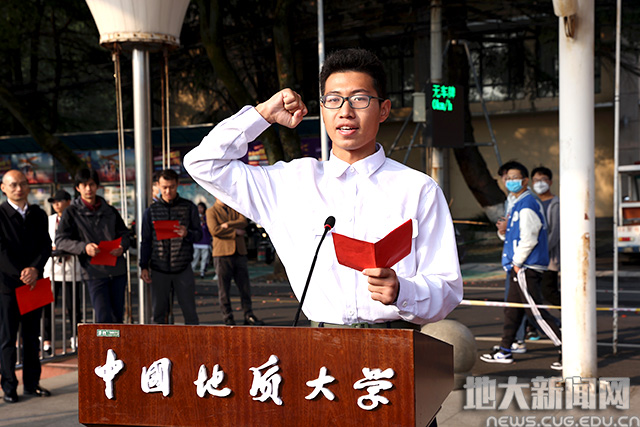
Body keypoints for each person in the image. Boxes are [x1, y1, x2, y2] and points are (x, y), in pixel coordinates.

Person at [184, 48, 462, 329]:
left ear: (383, 110)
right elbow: (203, 163)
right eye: (333, 100)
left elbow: (447, 289)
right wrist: (263, 114)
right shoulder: (288, 184)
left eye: (359, 99)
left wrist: (403, 291)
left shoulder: (418, 189)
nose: (345, 112)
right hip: (321, 345)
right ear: (322, 109)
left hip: (396, 342)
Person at [480, 161, 562, 370]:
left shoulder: (527, 204)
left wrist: (517, 263)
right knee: (513, 311)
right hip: (519, 266)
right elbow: (513, 236)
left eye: (515, 178)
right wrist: (503, 232)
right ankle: (505, 349)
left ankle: (566, 347)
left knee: (535, 312)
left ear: (525, 181)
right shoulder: (516, 203)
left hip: (526, 266)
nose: (510, 181)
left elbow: (529, 238)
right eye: (507, 178)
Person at [0, 170, 52, 403]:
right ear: (3, 188)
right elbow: (1, 251)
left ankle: (32, 384)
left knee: (32, 337)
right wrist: (21, 273)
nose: (18, 188)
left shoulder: (38, 214)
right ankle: (9, 387)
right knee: (7, 339)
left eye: (22, 184)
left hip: (34, 285)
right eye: (13, 185)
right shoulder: (1, 214)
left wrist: (35, 269)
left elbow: (45, 245)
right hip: (7, 287)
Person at [55, 168, 131, 324]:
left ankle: (116, 342)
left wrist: (122, 246)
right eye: (84, 185)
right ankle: (104, 342)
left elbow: (125, 234)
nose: (88, 189)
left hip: (117, 269)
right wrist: (84, 248)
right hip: (94, 272)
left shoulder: (110, 210)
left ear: (97, 186)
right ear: (77, 188)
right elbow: (61, 240)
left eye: (91, 184)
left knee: (118, 318)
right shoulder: (71, 212)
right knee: (103, 318)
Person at [140, 169, 201, 325]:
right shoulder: (151, 211)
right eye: (164, 187)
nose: (168, 191)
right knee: (158, 315)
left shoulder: (189, 208)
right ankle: (158, 342)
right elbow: (146, 241)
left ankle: (194, 341)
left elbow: (199, 235)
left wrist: (187, 233)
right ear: (158, 186)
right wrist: (143, 266)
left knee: (190, 313)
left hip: (183, 268)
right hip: (159, 268)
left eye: (172, 187)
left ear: (177, 185)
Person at [207, 199, 263, 326]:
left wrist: (227, 225)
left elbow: (243, 222)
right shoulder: (211, 211)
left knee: (245, 287)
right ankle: (228, 316)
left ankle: (248, 314)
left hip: (239, 252)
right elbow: (215, 230)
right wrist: (235, 231)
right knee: (224, 289)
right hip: (222, 254)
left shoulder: (235, 207)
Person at [42, 189, 83, 354]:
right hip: (50, 271)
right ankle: (47, 340)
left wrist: (68, 249)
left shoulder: (77, 219)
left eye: (59, 201)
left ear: (68, 201)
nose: (56, 205)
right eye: (54, 202)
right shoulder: (49, 220)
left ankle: (75, 337)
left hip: (71, 270)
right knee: (47, 308)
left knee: (73, 307)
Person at [531, 166, 561, 307]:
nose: (539, 183)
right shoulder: (533, 202)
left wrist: (542, 250)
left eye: (543, 179)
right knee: (533, 292)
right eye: (536, 180)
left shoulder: (556, 204)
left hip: (549, 257)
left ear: (550, 182)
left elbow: (555, 232)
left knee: (549, 291)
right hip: (533, 256)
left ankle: (570, 315)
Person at [192, 202, 214, 279]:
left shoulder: (207, 217)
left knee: (205, 257)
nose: (200, 209)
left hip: (205, 240)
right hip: (197, 241)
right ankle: (192, 270)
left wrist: (204, 221)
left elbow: (210, 228)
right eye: (198, 208)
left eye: (201, 208)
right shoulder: (195, 218)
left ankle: (202, 272)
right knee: (195, 257)